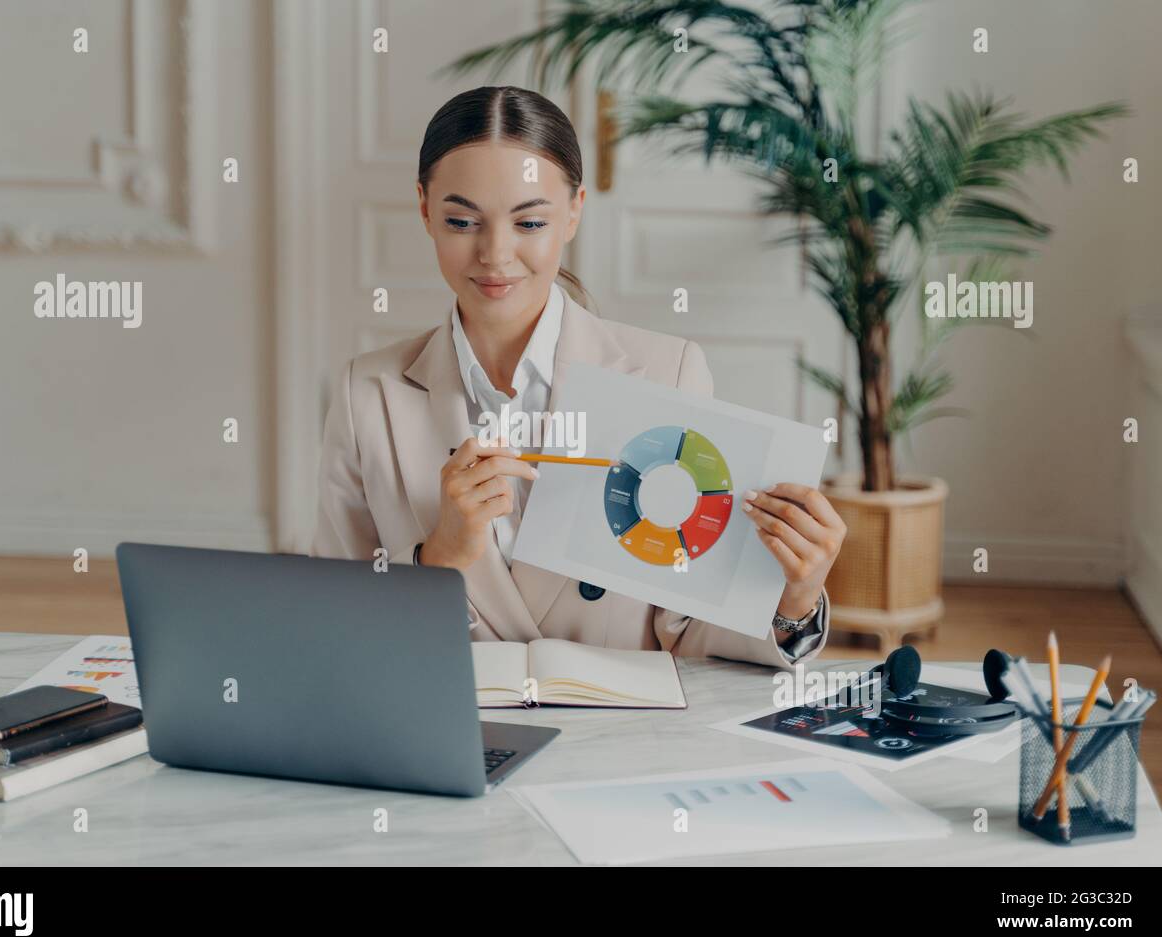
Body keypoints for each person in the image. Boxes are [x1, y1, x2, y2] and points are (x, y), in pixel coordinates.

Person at [314, 86, 846, 668]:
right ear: (423, 210)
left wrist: (795, 597)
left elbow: (688, 634)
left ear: (574, 211)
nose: (495, 254)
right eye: (462, 220)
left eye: (530, 221)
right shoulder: (366, 393)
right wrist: (438, 559)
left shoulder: (668, 373)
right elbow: (339, 632)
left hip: (619, 742)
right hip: (454, 738)